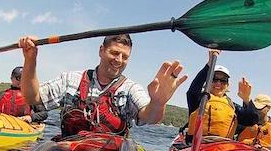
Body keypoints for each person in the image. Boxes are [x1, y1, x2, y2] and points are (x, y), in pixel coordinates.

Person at [18, 34, 187, 138]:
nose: (119, 60)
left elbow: (150, 117)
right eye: (114, 53)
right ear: (101, 50)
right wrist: (30, 59)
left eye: (125, 56)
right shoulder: (71, 79)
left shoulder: (130, 89)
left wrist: (158, 103)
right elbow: (32, 97)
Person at [185, 49, 259, 140]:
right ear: (207, 82)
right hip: (198, 145)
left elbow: (252, 120)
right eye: (214, 79)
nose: (218, 83)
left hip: (223, 146)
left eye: (223, 80)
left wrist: (246, 99)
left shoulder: (232, 106)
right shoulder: (200, 99)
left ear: (227, 86)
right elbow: (193, 89)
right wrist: (209, 64)